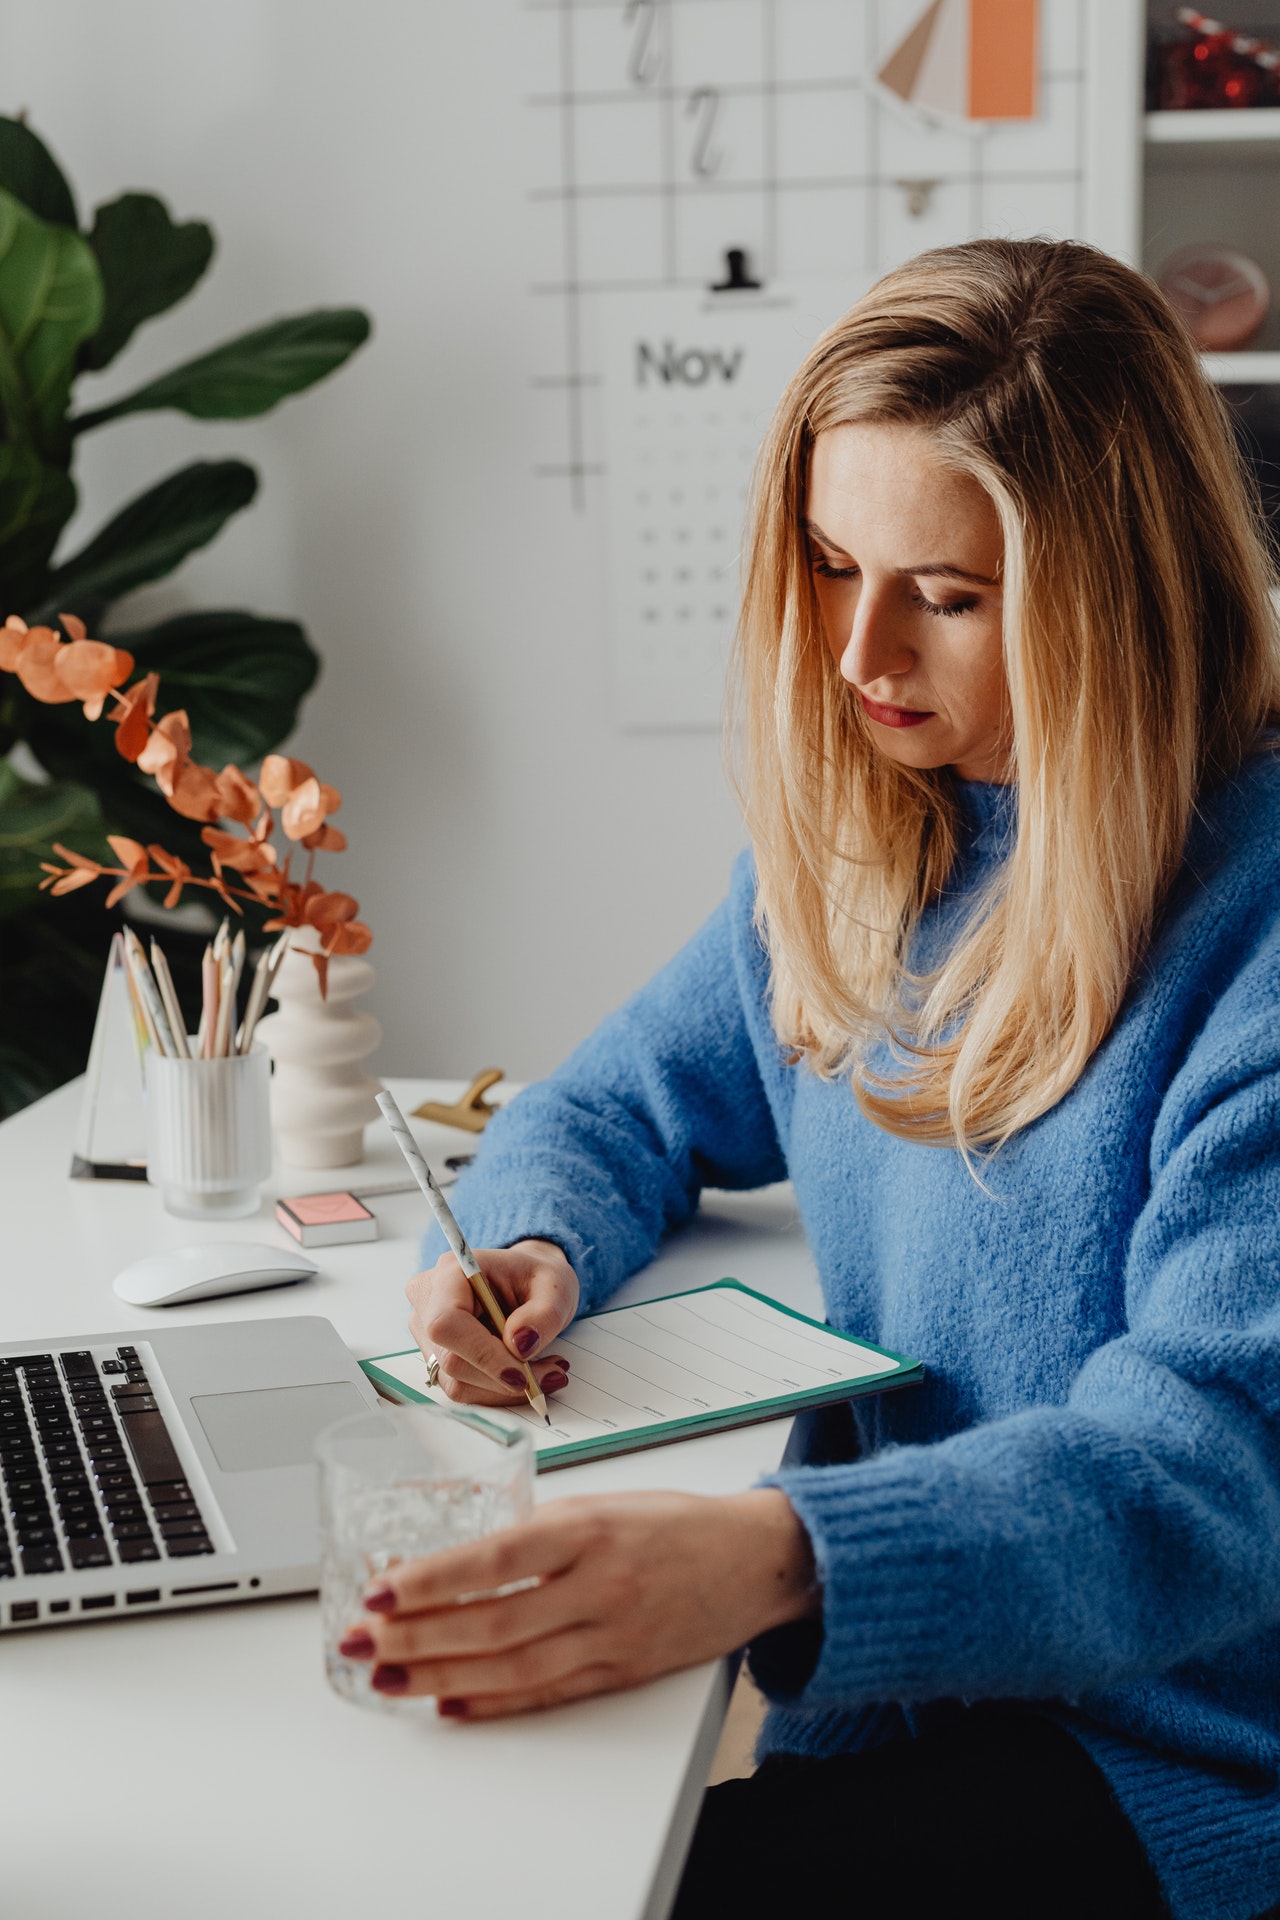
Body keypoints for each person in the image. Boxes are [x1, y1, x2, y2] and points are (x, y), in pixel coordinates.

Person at [341, 240, 1280, 1920]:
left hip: (1180, 1752)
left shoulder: (1251, 923)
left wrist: (780, 1555)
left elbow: (1205, 1469)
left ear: (1122, 594)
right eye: (833, 561)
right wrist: (528, 1242)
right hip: (899, 1700)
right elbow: (616, 1100)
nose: (859, 652)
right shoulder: (869, 842)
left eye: (949, 593)